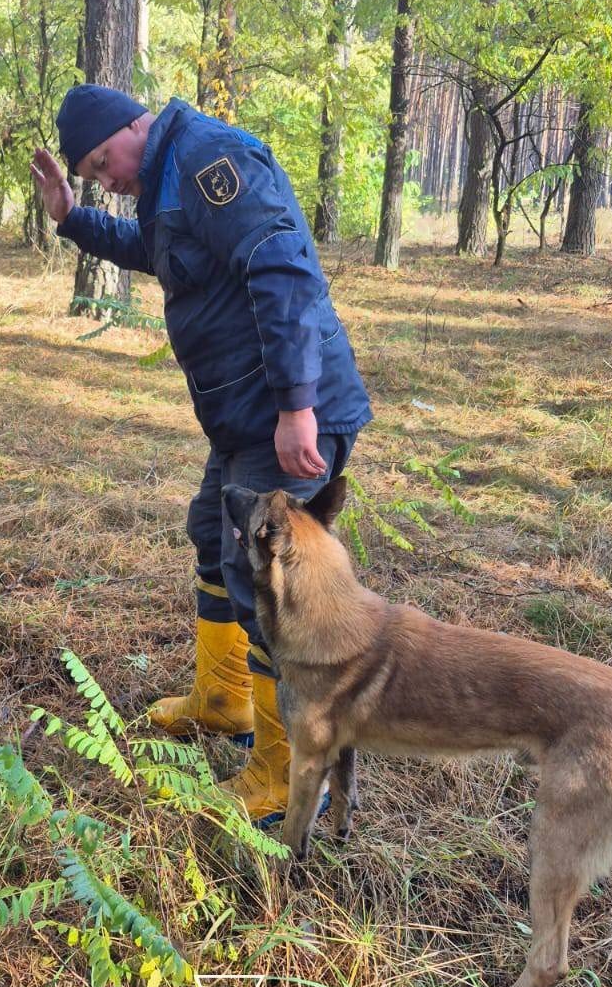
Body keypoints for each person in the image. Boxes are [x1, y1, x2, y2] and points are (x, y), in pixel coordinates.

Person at [31, 85, 372, 824]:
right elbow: (154, 251)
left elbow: (281, 270)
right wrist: (71, 218)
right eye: (93, 175)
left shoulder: (208, 160)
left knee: (271, 585)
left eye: (104, 161)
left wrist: (297, 406)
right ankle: (224, 700)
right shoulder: (167, 180)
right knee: (214, 538)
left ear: (134, 123)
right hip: (245, 417)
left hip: (283, 411)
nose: (108, 180)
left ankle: (288, 775)